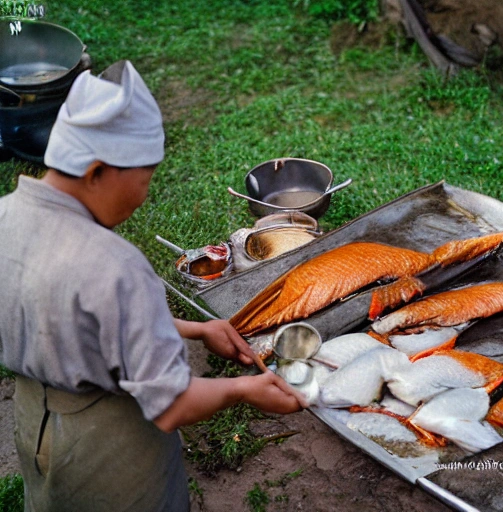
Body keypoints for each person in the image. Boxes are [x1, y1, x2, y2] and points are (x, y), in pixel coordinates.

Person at [0, 60, 305, 512]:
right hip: (109, 449)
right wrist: (244, 390)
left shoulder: (5, 217)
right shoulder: (115, 265)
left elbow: (70, 315)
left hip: (35, 423)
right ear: (98, 170)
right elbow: (173, 404)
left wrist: (196, 329)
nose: (144, 197)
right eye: (144, 179)